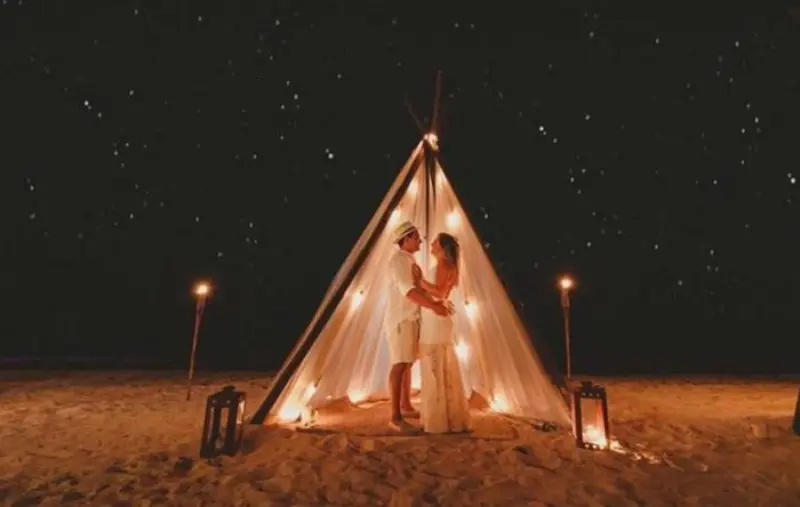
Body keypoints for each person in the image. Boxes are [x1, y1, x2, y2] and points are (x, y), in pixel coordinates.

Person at [386, 221, 452, 432]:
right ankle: (395, 417)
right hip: (401, 319)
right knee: (399, 364)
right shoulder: (399, 261)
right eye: (416, 238)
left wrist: (438, 302)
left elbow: (419, 288)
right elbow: (408, 292)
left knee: (407, 363)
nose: (420, 241)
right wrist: (433, 306)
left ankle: (405, 406)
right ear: (406, 240)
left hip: (412, 318)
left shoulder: (409, 260)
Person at [418, 233, 471, 434]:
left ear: (441, 247)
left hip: (435, 316)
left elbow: (440, 292)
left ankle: (437, 418)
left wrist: (421, 282)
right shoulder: (451, 265)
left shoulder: (443, 264)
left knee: (434, 361)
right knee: (443, 361)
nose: (431, 244)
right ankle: (452, 417)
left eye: (434, 242)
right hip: (440, 315)